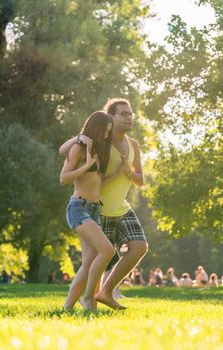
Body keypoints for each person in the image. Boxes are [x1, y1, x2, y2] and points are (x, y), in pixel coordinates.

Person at [60, 98, 148, 309]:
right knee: (92, 262)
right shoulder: (100, 141)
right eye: (123, 114)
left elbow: (140, 181)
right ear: (110, 117)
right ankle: (81, 302)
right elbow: (65, 152)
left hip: (122, 207)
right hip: (98, 209)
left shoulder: (133, 145)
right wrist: (80, 138)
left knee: (139, 247)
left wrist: (126, 171)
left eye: (130, 114)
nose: (129, 117)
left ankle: (104, 292)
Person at [61, 111, 115, 312]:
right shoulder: (79, 148)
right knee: (108, 250)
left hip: (94, 210)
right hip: (78, 208)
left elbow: (97, 182)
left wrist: (119, 172)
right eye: (104, 131)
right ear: (95, 127)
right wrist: (86, 166)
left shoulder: (98, 151)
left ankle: (67, 308)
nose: (106, 136)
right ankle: (88, 298)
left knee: (88, 263)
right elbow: (63, 178)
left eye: (108, 132)